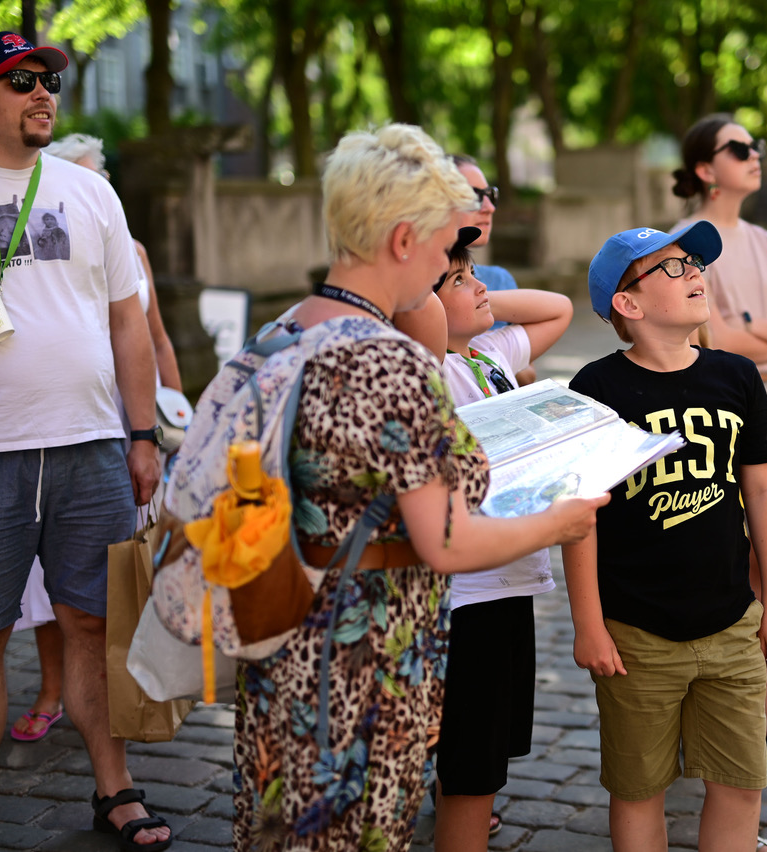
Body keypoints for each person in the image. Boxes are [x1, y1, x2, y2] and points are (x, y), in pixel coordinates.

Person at [228, 124, 605, 852]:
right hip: (365, 644)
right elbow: (447, 537)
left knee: (281, 823)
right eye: (443, 245)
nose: (452, 262)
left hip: (279, 625)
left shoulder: (280, 332)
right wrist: (557, 523)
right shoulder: (390, 364)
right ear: (404, 239)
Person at [0, 32, 168, 852]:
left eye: (50, 81)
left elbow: (127, 326)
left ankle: (117, 790)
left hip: (92, 448)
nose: (43, 93)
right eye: (20, 81)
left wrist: (141, 434)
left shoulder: (90, 194)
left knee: (93, 627)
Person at [565, 222, 767, 852]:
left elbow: (763, 494)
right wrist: (589, 623)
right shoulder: (597, 389)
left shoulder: (737, 376)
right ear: (628, 305)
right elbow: (580, 516)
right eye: (671, 268)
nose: (694, 273)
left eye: (694, 263)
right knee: (640, 791)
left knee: (741, 784)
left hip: (730, 623)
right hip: (636, 634)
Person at [6, 131, 186, 745]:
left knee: (125, 564)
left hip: (131, 418)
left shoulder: (131, 249)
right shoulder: (42, 243)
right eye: (83, 175)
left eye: (99, 174)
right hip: (64, 420)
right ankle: (53, 688)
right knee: (47, 583)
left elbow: (153, 335)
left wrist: (170, 409)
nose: (95, 185)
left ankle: (136, 683)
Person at [672, 113, 767, 771]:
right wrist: (760, 333)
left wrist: (749, 326)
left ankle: (764, 712)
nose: (755, 154)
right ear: (706, 168)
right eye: (739, 148)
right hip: (710, 410)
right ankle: (690, 710)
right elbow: (710, 340)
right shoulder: (681, 243)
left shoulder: (765, 242)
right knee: (705, 563)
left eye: (757, 145)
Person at [430, 227, 573, 848]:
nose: (481, 285)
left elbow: (559, 309)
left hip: (511, 577)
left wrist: (472, 296)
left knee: (485, 757)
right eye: (460, 279)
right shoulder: (429, 368)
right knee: (469, 766)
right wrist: (438, 302)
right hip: (467, 591)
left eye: (475, 273)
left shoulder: (485, 355)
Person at [451, 154, 537, 384]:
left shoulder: (498, 279)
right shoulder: (417, 287)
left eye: (491, 195)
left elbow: (528, 374)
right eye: (472, 196)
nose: (489, 207)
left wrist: (484, 346)